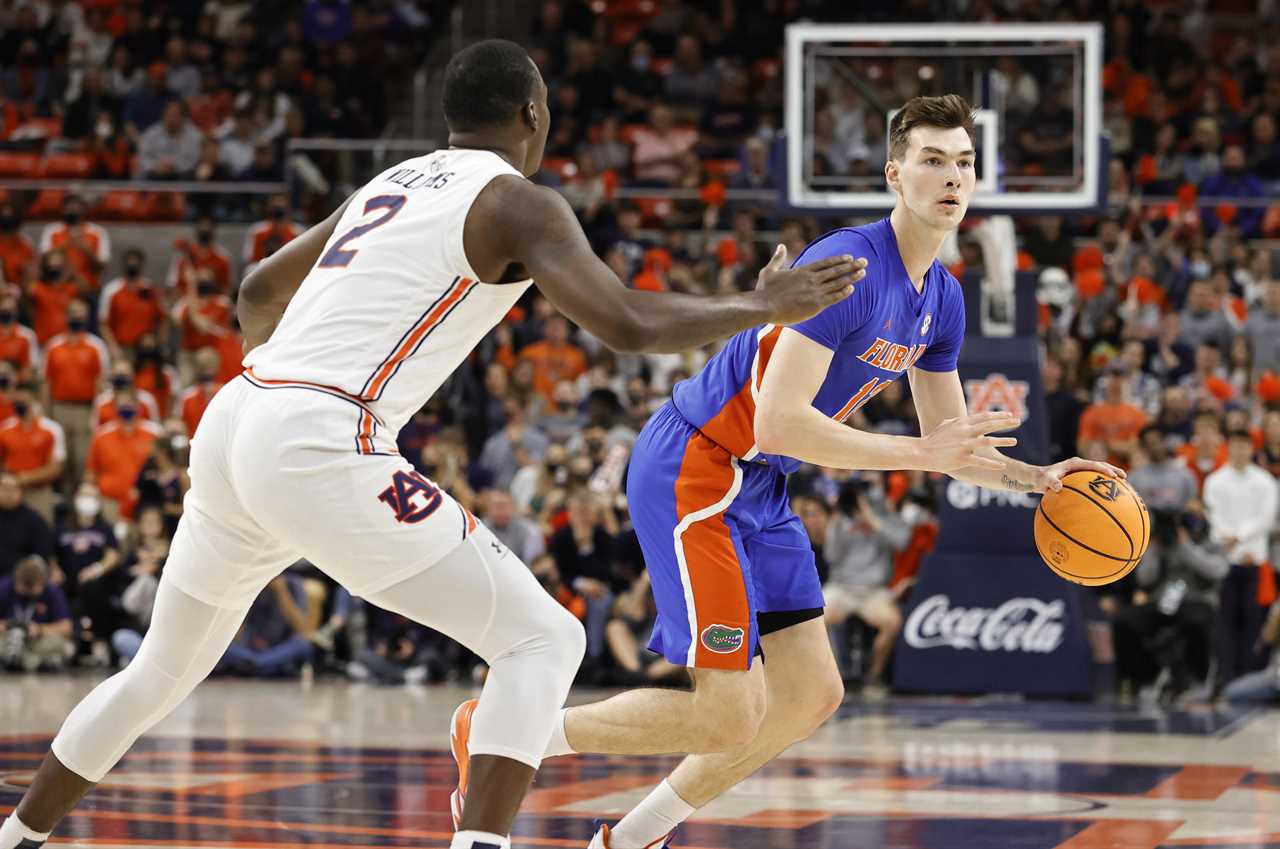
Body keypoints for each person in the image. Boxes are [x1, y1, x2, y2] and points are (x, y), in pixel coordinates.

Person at [0, 39, 862, 849]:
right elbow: (628, 322)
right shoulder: (517, 200)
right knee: (544, 642)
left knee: (156, 672)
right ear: (533, 115)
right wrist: (764, 306)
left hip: (239, 415)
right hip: (318, 434)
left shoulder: (395, 178)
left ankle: (16, 835)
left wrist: (280, 381)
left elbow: (258, 288)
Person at [474, 94, 1120, 849]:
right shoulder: (844, 267)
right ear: (895, 175)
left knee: (812, 692)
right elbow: (784, 421)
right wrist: (919, 454)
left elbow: (951, 442)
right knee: (728, 711)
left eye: (965, 163)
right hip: (698, 461)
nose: (952, 176)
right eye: (933, 160)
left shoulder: (942, 298)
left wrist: (1038, 480)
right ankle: (502, 735)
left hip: (762, 484)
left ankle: (631, 837)